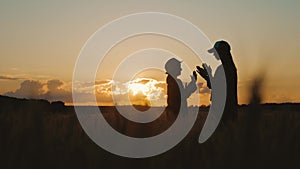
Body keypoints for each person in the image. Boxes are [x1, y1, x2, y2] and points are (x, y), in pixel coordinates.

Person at [197, 40, 238, 123]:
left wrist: (208, 76)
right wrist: (208, 76)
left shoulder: (224, 69)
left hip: (224, 109)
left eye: (215, 52)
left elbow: (217, 88)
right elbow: (216, 86)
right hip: (224, 108)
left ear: (221, 52)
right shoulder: (227, 67)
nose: (214, 54)